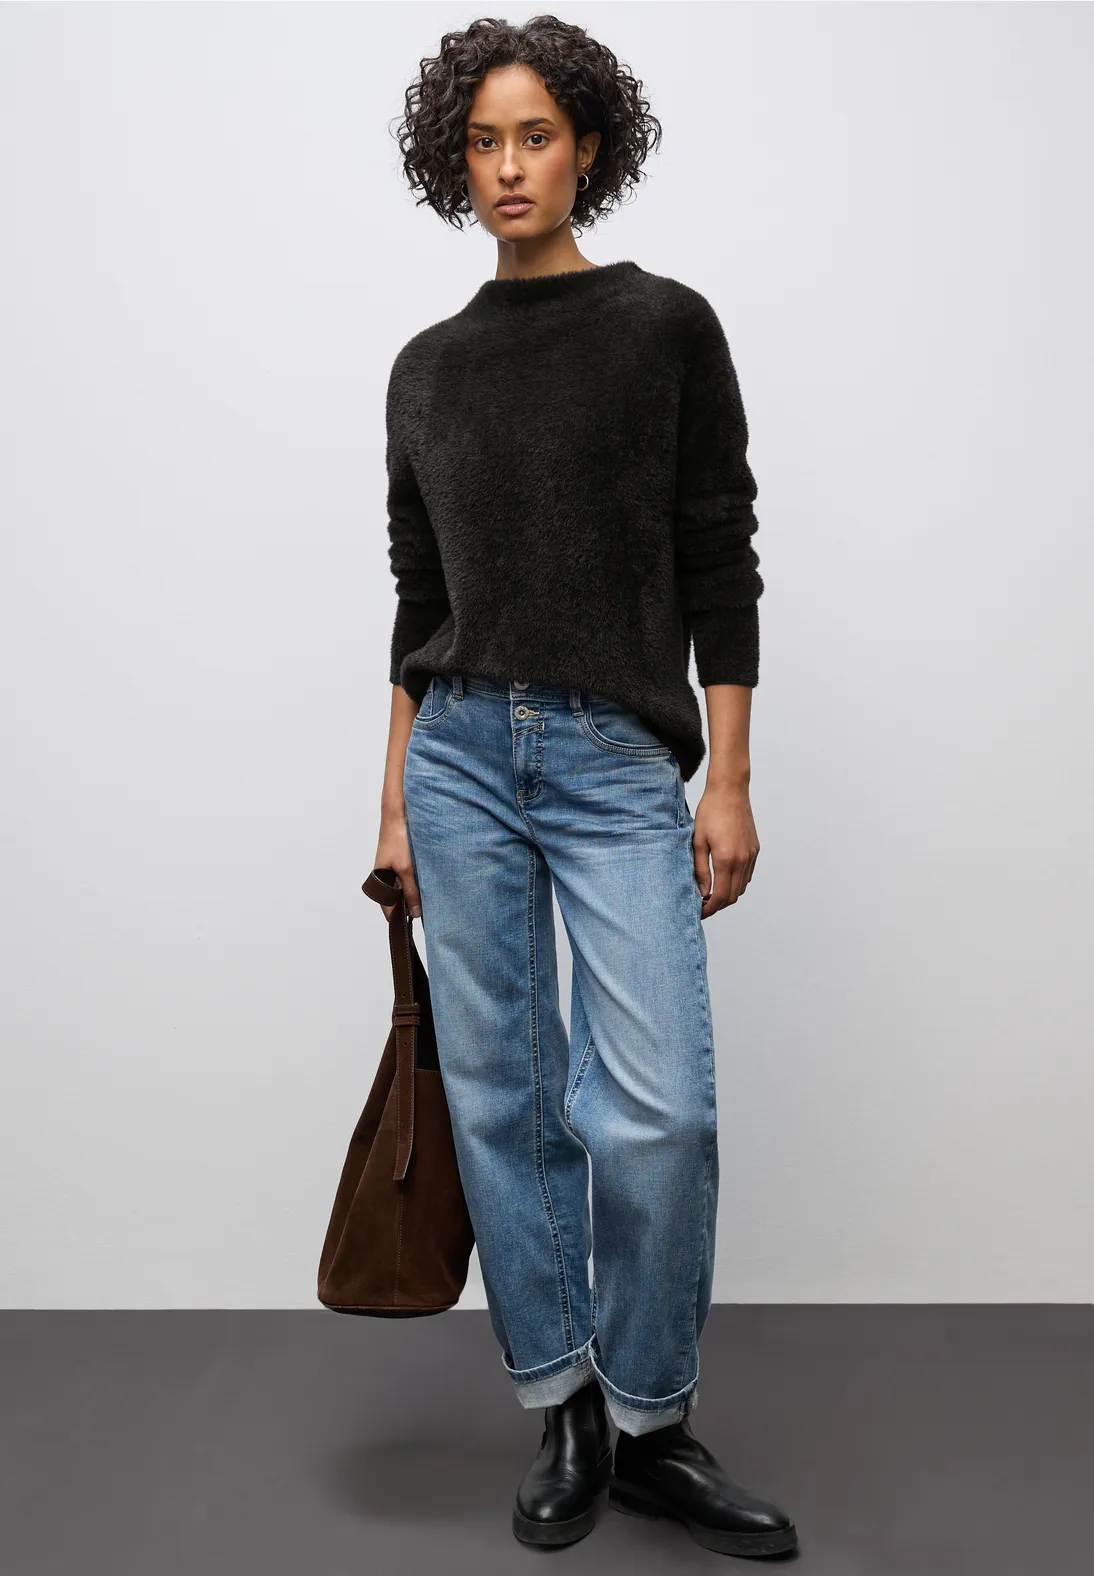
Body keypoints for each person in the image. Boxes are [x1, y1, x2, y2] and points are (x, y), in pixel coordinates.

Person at [373, 13, 799, 1560]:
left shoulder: (662, 328)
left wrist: (727, 776)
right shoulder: (427, 371)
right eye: (482, 141)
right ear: (454, 161)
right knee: (503, 1097)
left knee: (656, 1112)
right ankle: (561, 1404)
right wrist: (392, 798)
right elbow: (421, 601)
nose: (508, 166)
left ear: (589, 148)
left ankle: (652, 1421)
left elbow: (717, 554)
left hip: (618, 758)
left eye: (535, 136)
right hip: (461, 761)